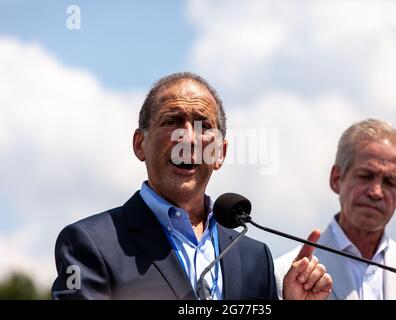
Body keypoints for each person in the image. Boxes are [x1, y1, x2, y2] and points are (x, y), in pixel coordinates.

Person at [51, 72, 332, 300]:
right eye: (172, 121)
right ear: (140, 145)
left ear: (220, 153)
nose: (188, 138)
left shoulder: (254, 257)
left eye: (203, 126)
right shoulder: (88, 243)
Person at [275, 119, 396, 300]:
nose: (376, 192)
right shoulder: (285, 275)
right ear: (336, 179)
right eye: (365, 176)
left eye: (390, 182)